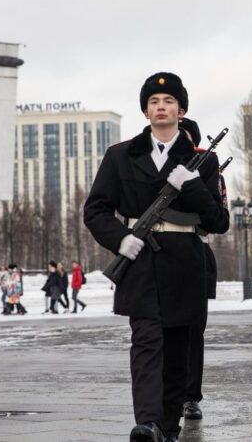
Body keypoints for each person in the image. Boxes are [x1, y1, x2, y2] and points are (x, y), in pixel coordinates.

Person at [83, 72, 228, 442]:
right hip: (141, 262)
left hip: (185, 265)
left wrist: (192, 186)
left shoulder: (203, 162)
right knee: (146, 344)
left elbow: (218, 221)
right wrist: (120, 240)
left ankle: (166, 425)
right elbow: (96, 210)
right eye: (153, 102)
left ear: (182, 110)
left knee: (178, 351)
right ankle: (147, 422)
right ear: (145, 111)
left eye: (168, 101)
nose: (160, 107)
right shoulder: (121, 155)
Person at [180, 117, 227, 422]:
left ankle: (189, 397)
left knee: (193, 331)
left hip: (194, 250)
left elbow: (218, 218)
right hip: (158, 253)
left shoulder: (209, 168)